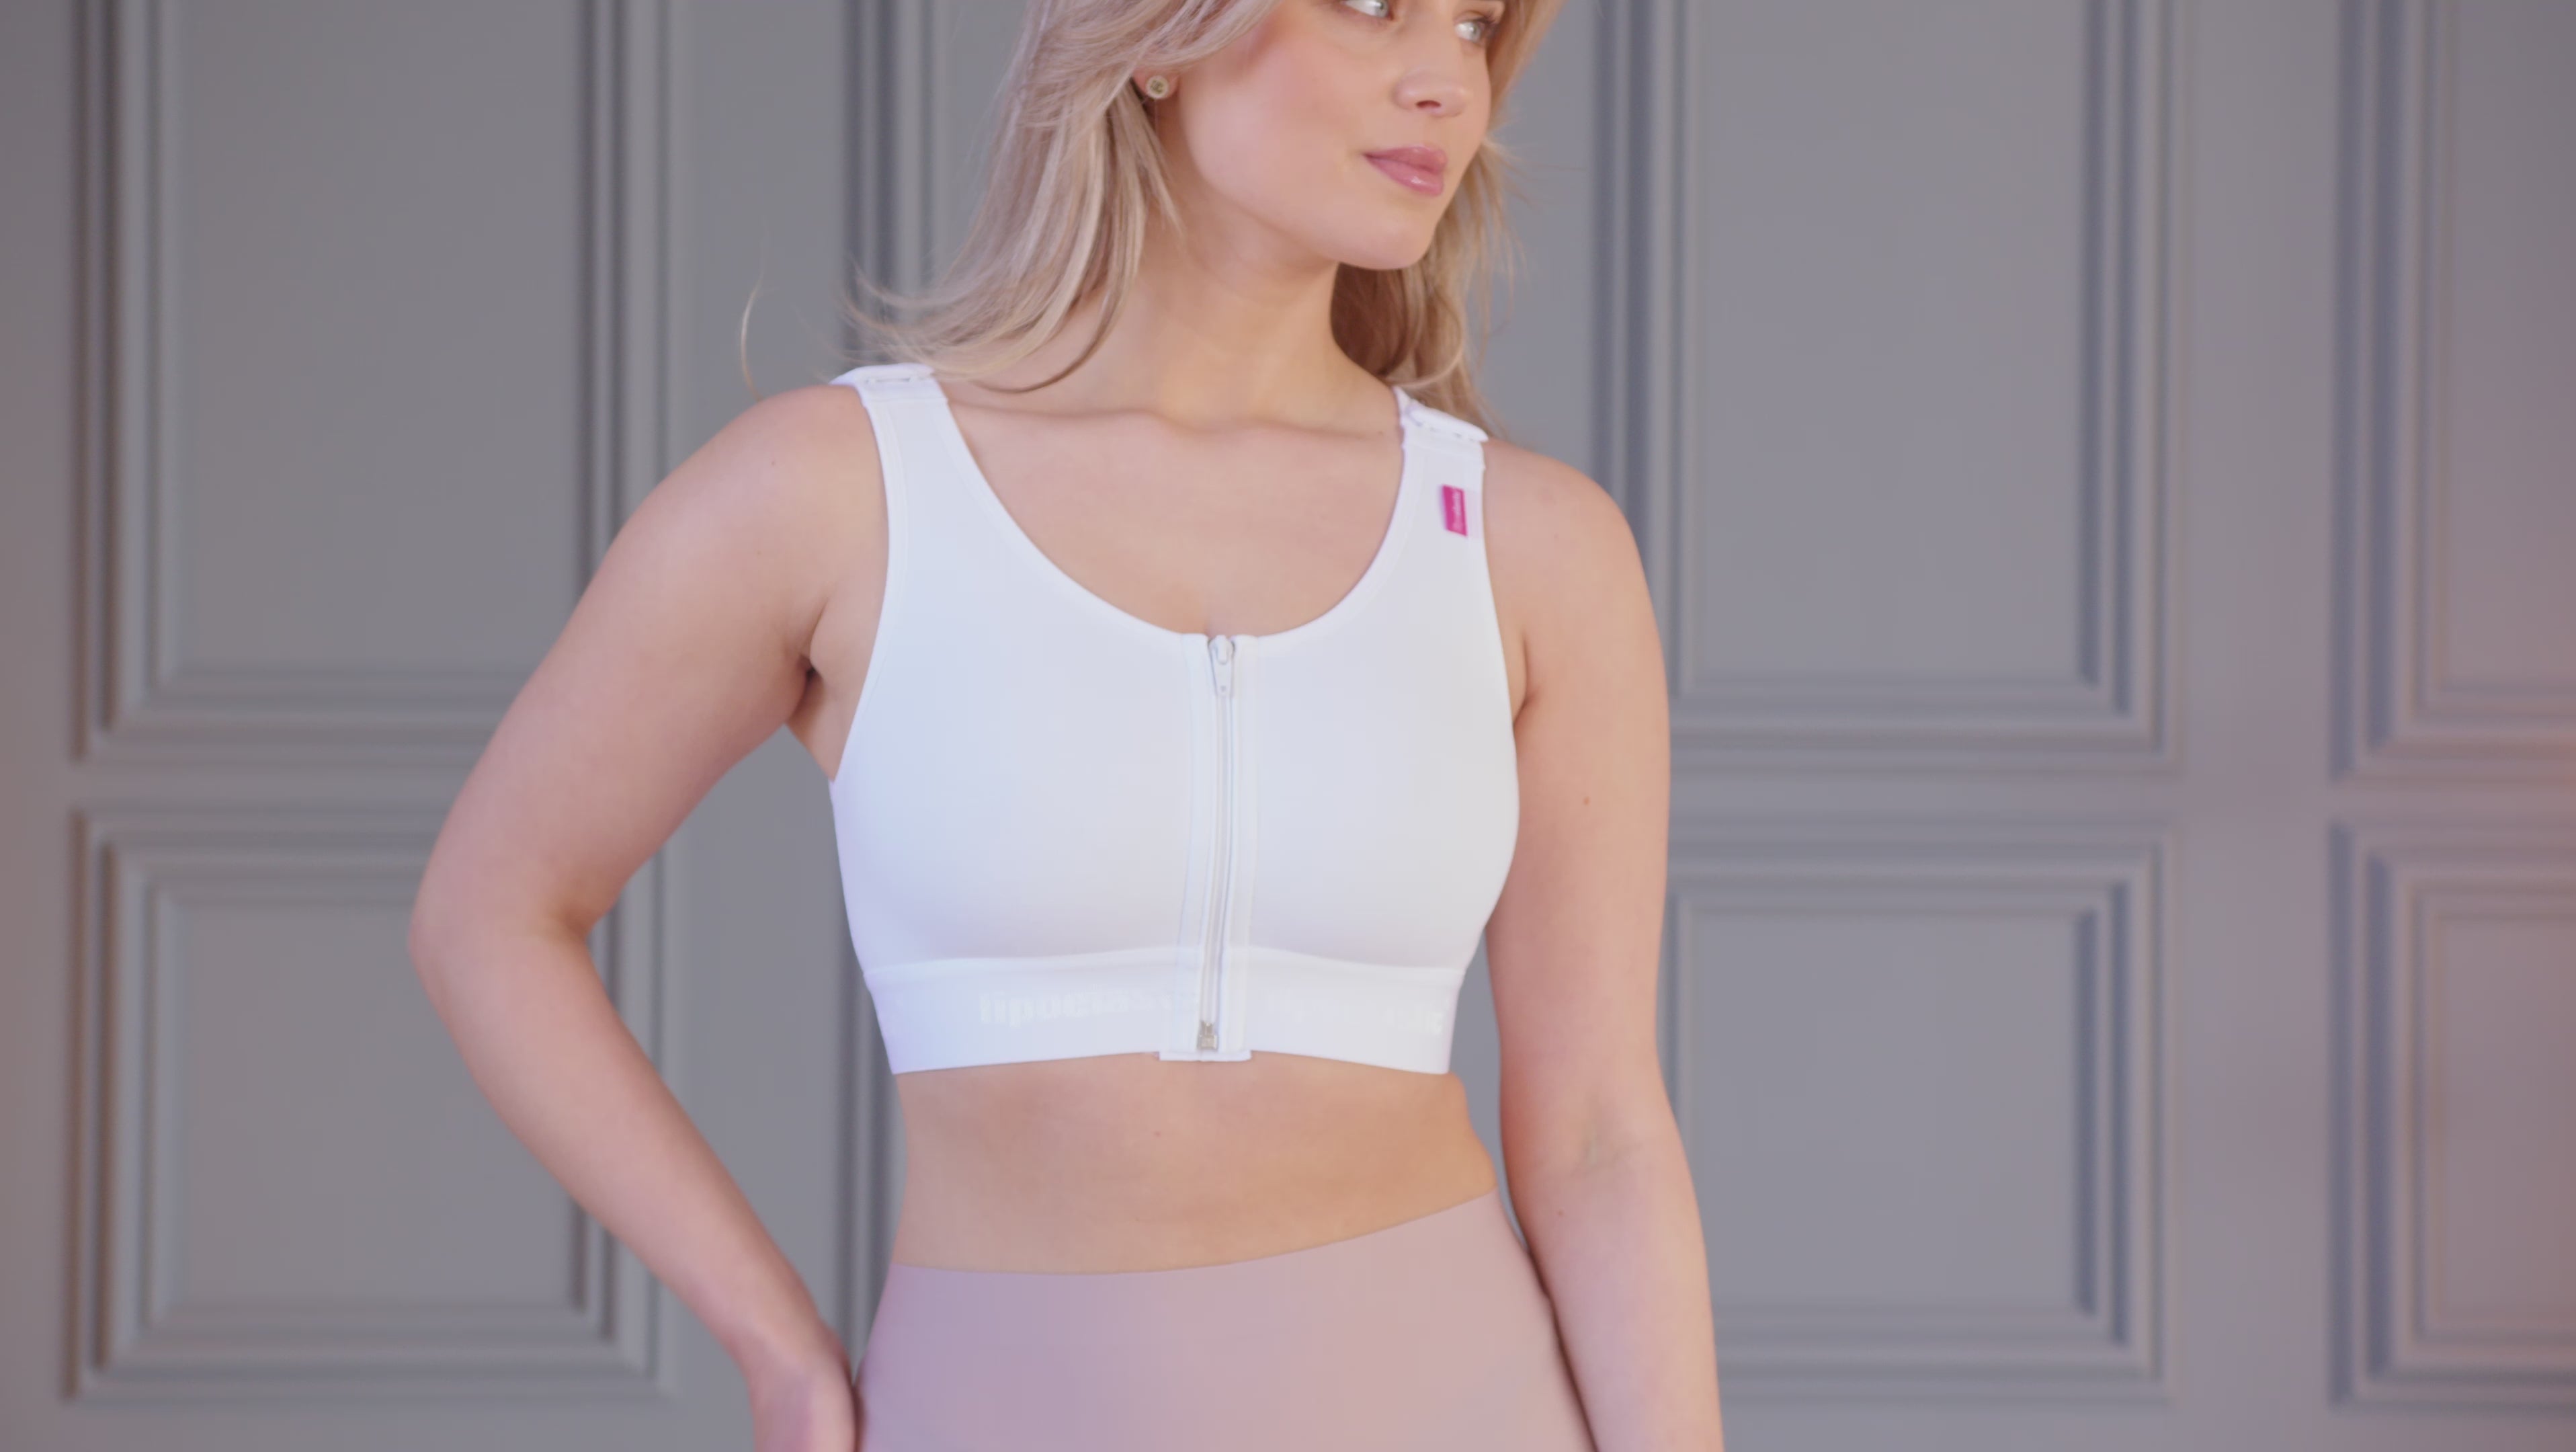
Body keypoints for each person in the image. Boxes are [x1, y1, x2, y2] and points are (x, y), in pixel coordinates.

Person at [409, 1, 1725, 1447]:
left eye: (1475, 25)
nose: (1444, 82)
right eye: (1372, 6)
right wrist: (776, 1348)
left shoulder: (1531, 548)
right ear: (1159, 37)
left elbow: (1600, 1136)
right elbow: (490, 912)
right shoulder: (845, 492)